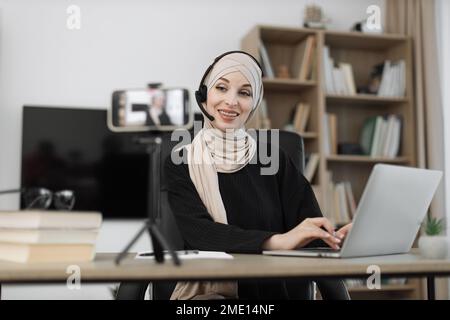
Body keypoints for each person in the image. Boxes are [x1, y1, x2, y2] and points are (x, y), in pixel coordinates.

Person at [164, 51, 352, 300]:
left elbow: (309, 229)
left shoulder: (275, 159)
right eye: (221, 88)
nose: (231, 101)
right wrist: (276, 241)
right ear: (204, 95)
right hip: (215, 293)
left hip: (275, 289)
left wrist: (336, 238)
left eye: (244, 92)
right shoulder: (181, 161)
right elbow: (201, 234)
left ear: (254, 103)